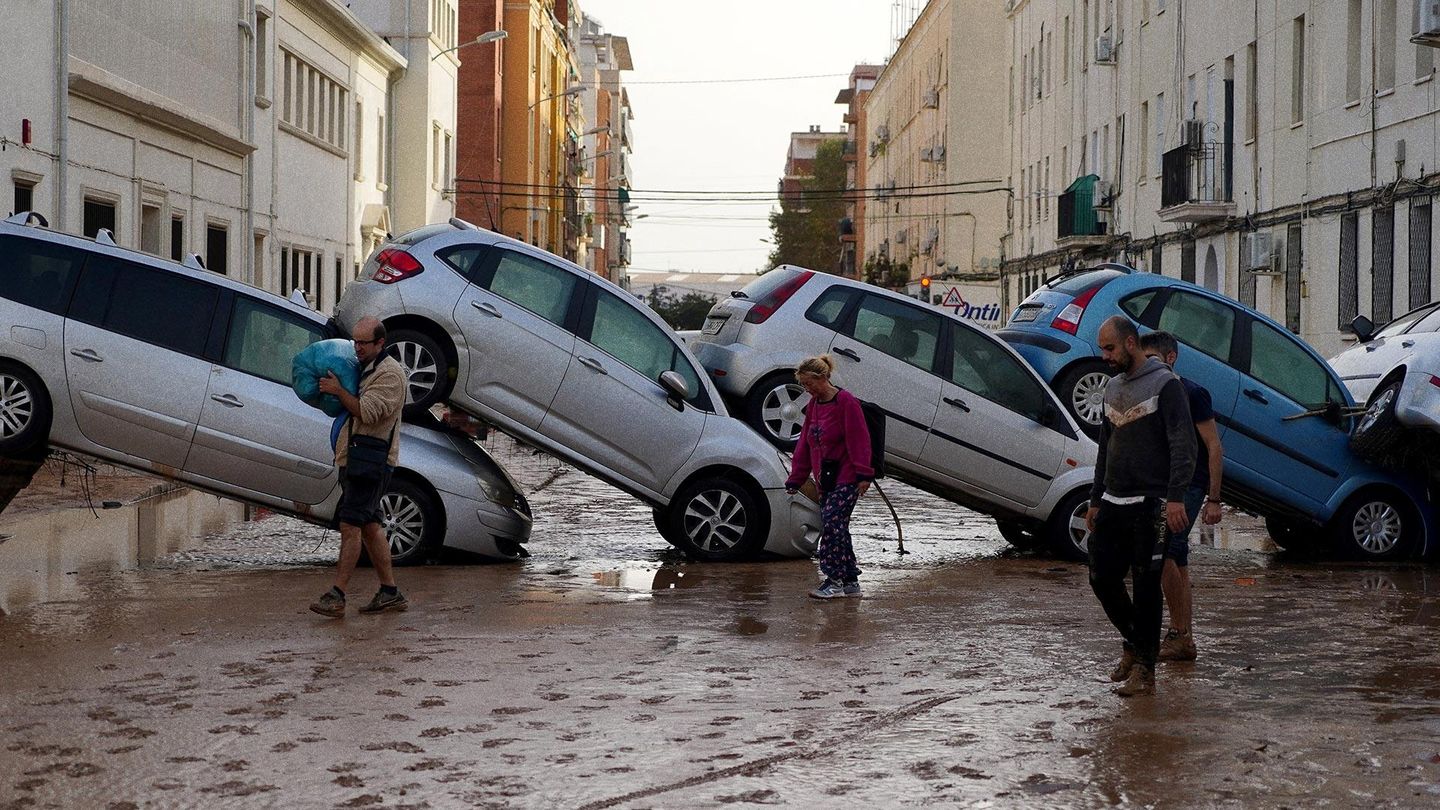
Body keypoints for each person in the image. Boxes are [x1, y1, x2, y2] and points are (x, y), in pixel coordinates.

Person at [1085, 316, 1196, 697]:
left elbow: (1185, 445)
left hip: (1153, 503)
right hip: (1114, 501)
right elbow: (1105, 448)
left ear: (1130, 343)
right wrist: (1095, 499)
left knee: (1148, 585)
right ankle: (1136, 644)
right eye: (1102, 349)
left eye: (1110, 348)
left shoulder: (1167, 385)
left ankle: (1145, 671)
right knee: (1101, 577)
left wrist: (1176, 497)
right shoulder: (1112, 388)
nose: (1104, 356)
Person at [309, 316, 409, 617]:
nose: (357, 348)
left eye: (363, 343)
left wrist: (339, 391)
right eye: (355, 341)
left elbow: (367, 412)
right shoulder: (365, 367)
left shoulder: (390, 376)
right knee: (370, 525)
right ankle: (390, 591)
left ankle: (337, 595)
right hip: (356, 459)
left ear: (381, 343)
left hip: (371, 463)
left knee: (350, 524)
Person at [1140, 331, 1224, 663]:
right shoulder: (1149, 392)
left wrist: (1213, 499)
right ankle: (1184, 638)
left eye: (1153, 360)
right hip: (1163, 486)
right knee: (1178, 560)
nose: (1147, 367)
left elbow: (1214, 447)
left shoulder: (1193, 393)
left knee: (1164, 556)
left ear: (1170, 357)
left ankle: (1178, 634)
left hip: (1189, 485)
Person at [784, 355, 873, 600]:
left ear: (823, 378)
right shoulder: (813, 405)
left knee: (832, 524)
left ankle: (833, 579)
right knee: (838, 527)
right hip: (826, 480)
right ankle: (850, 581)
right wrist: (796, 477)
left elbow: (859, 439)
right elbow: (804, 443)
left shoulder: (846, 402)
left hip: (847, 476)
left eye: (809, 384)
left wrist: (864, 474)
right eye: (803, 385)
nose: (807, 389)